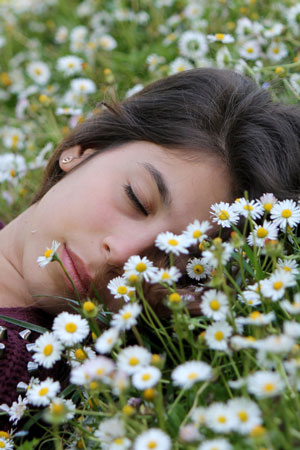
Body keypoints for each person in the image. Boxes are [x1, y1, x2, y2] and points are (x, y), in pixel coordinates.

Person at [0, 67, 300, 414]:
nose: (125, 254)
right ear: (83, 149)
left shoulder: (19, 374)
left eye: (170, 262)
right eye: (137, 200)